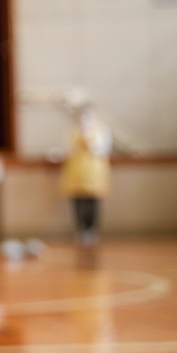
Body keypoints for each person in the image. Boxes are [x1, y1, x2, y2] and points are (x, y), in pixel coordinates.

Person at [59, 101, 112, 247]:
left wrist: (89, 141)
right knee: (77, 201)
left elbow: (102, 150)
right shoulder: (73, 132)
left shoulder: (100, 131)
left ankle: (92, 229)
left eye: (87, 116)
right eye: (81, 116)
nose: (84, 120)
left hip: (94, 173)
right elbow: (68, 151)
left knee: (92, 202)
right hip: (76, 172)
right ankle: (80, 230)